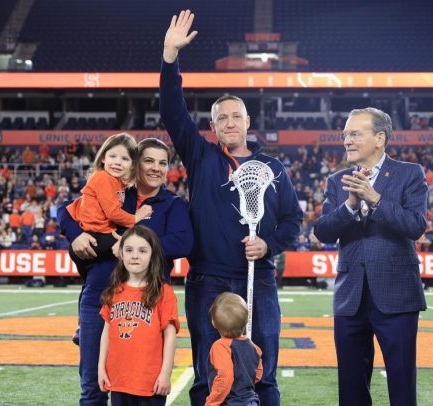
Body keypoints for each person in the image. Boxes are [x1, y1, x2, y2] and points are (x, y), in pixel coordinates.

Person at [161, 10, 303, 405]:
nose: (229, 121)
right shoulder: (201, 156)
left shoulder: (273, 167)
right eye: (221, 117)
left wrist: (269, 245)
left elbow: (294, 220)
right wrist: (170, 57)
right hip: (207, 278)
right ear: (212, 126)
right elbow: (172, 113)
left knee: (263, 371)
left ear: (248, 121)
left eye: (235, 115)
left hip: (259, 279)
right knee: (209, 374)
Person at [60, 138, 193, 405]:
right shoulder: (116, 189)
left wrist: (132, 242)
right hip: (100, 293)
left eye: (163, 163)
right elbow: (66, 211)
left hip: (148, 302)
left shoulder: (172, 203)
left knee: (142, 386)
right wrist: (74, 234)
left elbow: (183, 242)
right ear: (135, 165)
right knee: (92, 386)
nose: (156, 168)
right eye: (148, 161)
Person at [313, 108, 428, 405]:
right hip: (350, 296)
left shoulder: (409, 173)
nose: (346, 141)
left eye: (354, 134)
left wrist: (374, 198)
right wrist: (350, 205)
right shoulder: (338, 181)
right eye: (345, 135)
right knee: (351, 388)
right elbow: (323, 231)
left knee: (401, 385)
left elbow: (415, 226)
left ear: (379, 138)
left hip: (397, 294)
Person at [97, 226, 179, 406]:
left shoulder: (163, 292)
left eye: (142, 251)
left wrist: (165, 374)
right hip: (118, 380)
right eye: (129, 250)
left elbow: (170, 336)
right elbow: (106, 333)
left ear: (153, 255)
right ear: (121, 254)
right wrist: (101, 368)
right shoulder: (113, 291)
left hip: (150, 383)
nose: (135, 256)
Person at [66, 133, 153, 273]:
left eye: (125, 159)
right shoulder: (103, 178)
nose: (117, 162)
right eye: (112, 156)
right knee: (139, 247)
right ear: (102, 158)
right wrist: (136, 217)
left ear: (132, 165)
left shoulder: (116, 182)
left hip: (97, 237)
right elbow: (113, 213)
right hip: (95, 238)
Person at [206, 292, 264, 406]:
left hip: (231, 402)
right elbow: (258, 374)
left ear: (214, 323)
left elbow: (225, 377)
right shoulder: (253, 346)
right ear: (246, 321)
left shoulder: (220, 346)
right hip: (251, 401)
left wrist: (212, 402)